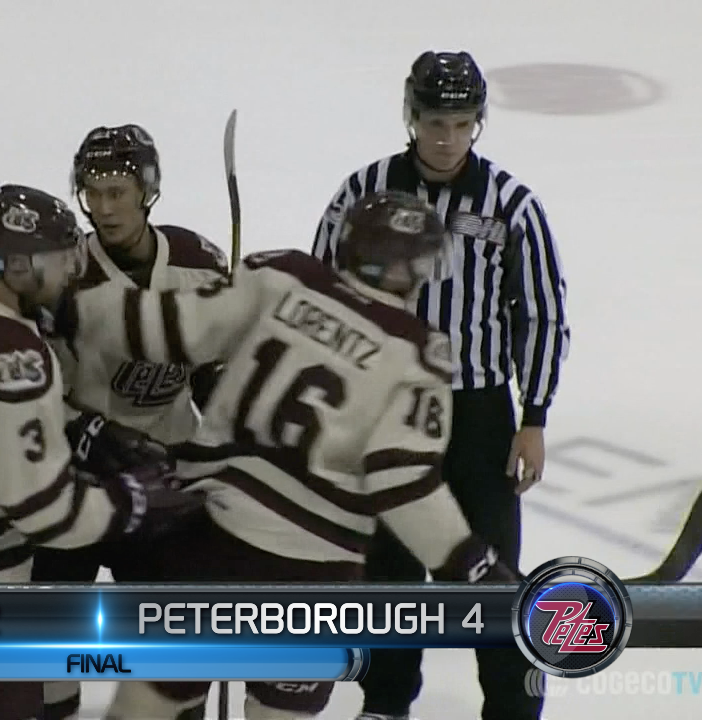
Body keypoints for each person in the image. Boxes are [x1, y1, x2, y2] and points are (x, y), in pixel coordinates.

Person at [44, 191, 522, 720]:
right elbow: (403, 486)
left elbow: (165, 325)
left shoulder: (286, 277)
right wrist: (472, 564)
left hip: (209, 544)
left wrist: (66, 307)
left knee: (147, 706)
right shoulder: (417, 353)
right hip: (313, 575)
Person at [309, 51, 570, 720]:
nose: (447, 139)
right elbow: (321, 295)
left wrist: (534, 417)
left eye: (461, 124)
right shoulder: (361, 193)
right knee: (389, 566)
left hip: (478, 412)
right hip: (383, 407)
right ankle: (386, 702)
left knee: (491, 571)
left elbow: (540, 314)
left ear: (477, 122)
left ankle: (510, 708)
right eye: (434, 122)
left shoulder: (511, 204)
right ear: (411, 116)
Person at [0, 182, 203, 720]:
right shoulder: (15, 366)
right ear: (19, 268)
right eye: (63, 261)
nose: (72, 272)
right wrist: (133, 500)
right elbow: (49, 516)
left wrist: (83, 427)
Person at [31, 123, 232, 720]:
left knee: (174, 644)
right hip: (77, 481)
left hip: (163, 480)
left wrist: (225, 398)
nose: (103, 207)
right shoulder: (60, 272)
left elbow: (213, 361)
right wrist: (86, 431)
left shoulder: (199, 263)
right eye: (92, 192)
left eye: (117, 191)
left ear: (147, 191)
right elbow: (31, 389)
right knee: (52, 640)